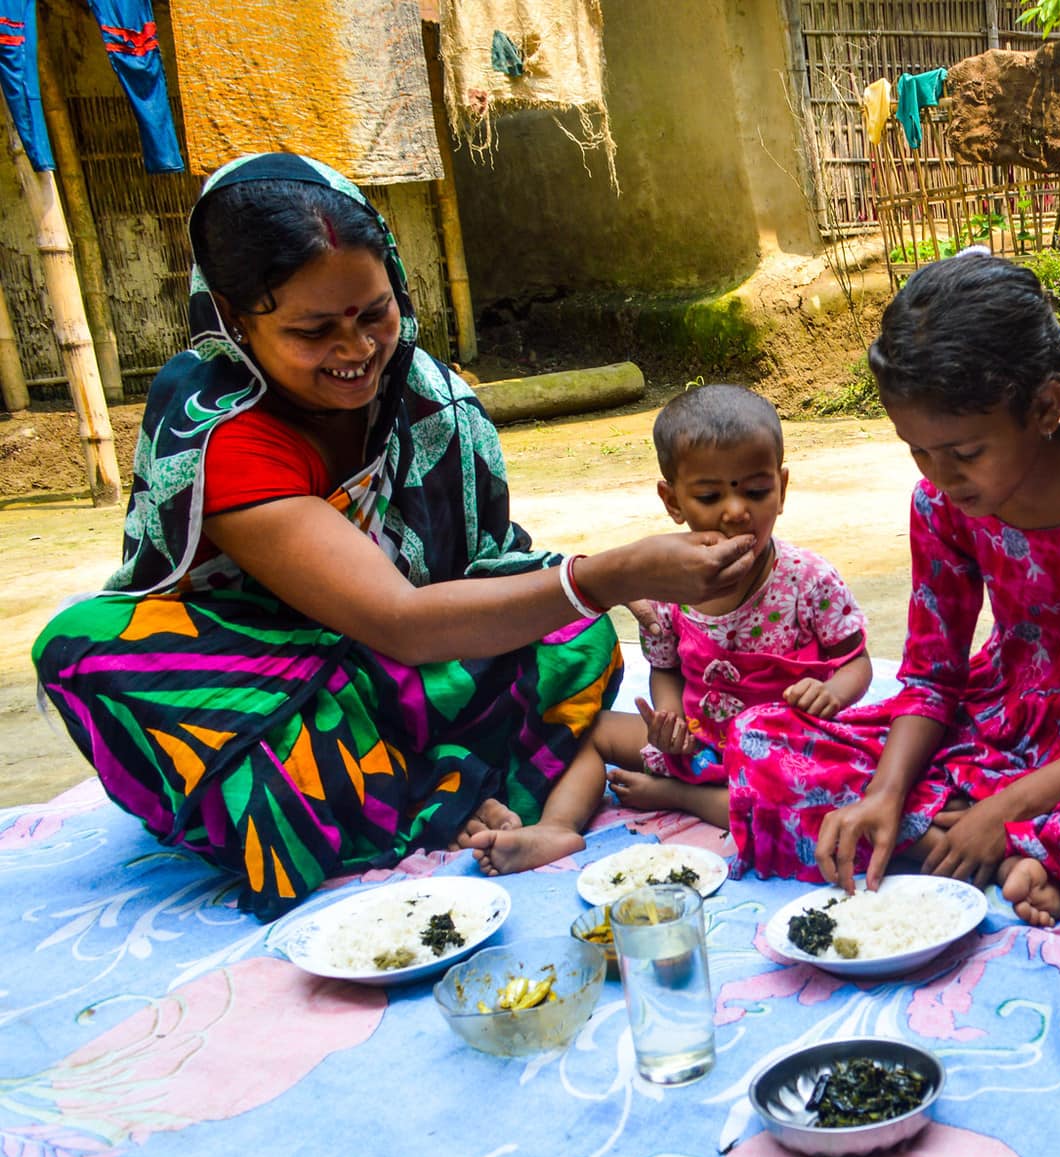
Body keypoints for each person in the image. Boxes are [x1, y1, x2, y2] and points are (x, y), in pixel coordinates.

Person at [30, 154, 758, 918]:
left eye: (373, 313)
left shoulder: (423, 393)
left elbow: (476, 564)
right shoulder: (222, 433)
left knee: (576, 644)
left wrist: (577, 583)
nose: (355, 351)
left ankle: (414, 792)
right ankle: (441, 795)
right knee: (87, 649)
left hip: (392, 679)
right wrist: (602, 577)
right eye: (313, 331)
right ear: (235, 320)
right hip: (272, 676)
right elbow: (400, 622)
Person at [728, 253, 1060, 950]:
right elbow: (932, 675)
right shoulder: (941, 504)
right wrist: (885, 792)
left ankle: (980, 834)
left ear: (1046, 407)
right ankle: (1035, 849)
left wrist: (1004, 806)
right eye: (918, 452)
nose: (941, 475)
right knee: (762, 740)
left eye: (964, 451)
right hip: (1002, 719)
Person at [470, 384, 872, 872]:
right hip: (699, 739)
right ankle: (557, 829)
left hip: (783, 749)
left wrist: (832, 693)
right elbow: (665, 669)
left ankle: (680, 797)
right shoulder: (665, 586)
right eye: (709, 495)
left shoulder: (809, 579)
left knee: (819, 794)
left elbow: (857, 664)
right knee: (592, 730)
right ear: (673, 501)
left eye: (756, 490)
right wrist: (669, 719)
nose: (736, 511)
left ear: (782, 489)